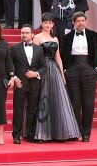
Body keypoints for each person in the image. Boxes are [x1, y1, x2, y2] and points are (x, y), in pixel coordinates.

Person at [33, 12, 80, 141]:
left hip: (54, 70)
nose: (48, 25)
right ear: (42, 23)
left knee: (57, 99)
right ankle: (42, 133)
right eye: (45, 22)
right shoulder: (37, 38)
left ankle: (59, 132)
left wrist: (62, 74)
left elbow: (58, 57)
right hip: (42, 69)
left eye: (50, 22)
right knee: (44, 98)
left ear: (53, 24)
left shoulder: (55, 39)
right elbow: (34, 57)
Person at [61, 12, 97, 142]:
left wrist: (96, 68)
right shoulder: (67, 37)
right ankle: (75, 130)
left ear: (86, 21)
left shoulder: (94, 35)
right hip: (72, 69)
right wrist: (66, 70)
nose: (80, 23)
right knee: (74, 102)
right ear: (73, 23)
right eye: (78, 21)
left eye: (82, 20)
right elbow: (63, 54)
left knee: (88, 103)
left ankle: (86, 133)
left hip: (89, 70)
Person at [10, 24, 46, 144]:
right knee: (18, 110)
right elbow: (10, 65)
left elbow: (44, 67)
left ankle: (31, 134)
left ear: (32, 35)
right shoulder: (14, 48)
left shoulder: (39, 49)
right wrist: (14, 78)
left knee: (33, 110)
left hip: (35, 84)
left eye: (26, 33)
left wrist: (35, 74)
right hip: (20, 83)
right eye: (22, 33)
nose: (24, 35)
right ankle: (16, 135)